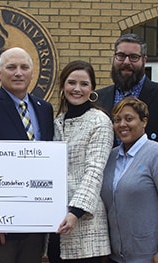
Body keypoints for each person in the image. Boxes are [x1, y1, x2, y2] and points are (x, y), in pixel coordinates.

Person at [0, 47, 54, 263]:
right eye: (11, 67)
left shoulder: (44, 109)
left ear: (32, 73)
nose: (18, 73)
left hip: (34, 220)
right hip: (0, 227)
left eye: (24, 67)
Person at [96, 33, 158, 173]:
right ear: (114, 58)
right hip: (107, 188)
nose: (126, 62)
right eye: (121, 56)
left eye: (133, 57)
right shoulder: (99, 98)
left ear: (144, 60)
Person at [101, 97, 158, 263]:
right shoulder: (111, 157)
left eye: (129, 118)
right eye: (117, 120)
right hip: (119, 256)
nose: (122, 124)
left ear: (144, 121)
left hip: (155, 256)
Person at [47, 60, 113, 263]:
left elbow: (95, 170)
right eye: (71, 82)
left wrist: (75, 212)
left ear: (92, 88)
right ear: (63, 86)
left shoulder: (100, 121)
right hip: (56, 223)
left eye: (84, 84)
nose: (77, 89)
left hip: (85, 224)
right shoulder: (57, 122)